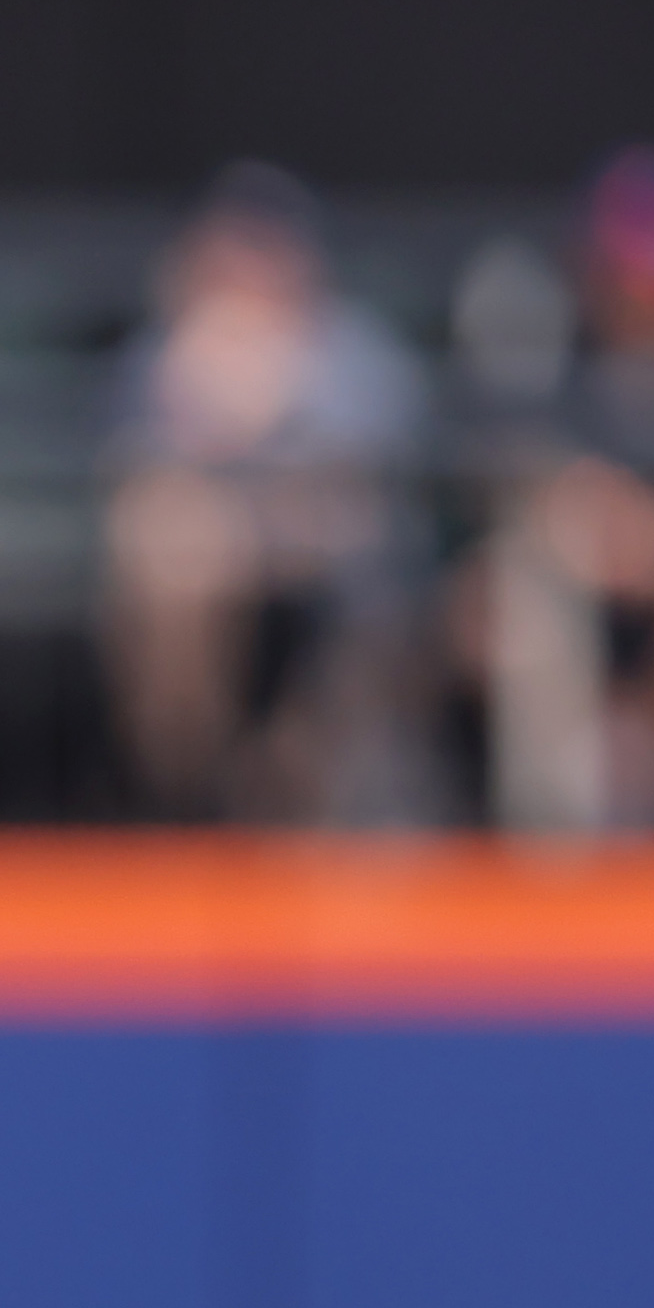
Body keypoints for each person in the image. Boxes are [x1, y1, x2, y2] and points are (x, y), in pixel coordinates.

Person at [100, 164, 438, 825]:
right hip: (213, 597)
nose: (246, 268)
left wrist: (267, 412)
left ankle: (288, 793)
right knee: (165, 549)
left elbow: (361, 489)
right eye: (230, 248)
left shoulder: (354, 351)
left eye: (262, 247)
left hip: (348, 594)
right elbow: (137, 476)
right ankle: (191, 798)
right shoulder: (164, 352)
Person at [457, 146, 654, 829]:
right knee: (510, 600)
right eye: (629, 274)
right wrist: (591, 520)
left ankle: (646, 784)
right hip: (578, 598)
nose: (644, 294)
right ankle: (558, 839)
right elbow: (522, 487)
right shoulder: (552, 357)